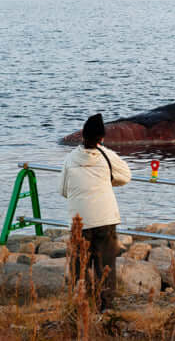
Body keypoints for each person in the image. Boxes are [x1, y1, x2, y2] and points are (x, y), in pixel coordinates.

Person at [59, 113, 131, 311]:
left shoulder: (69, 159)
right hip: (105, 218)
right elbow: (125, 176)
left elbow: (63, 190)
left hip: (79, 221)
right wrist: (107, 182)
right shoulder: (107, 155)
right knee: (105, 266)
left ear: (82, 135)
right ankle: (106, 308)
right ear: (102, 138)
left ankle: (79, 306)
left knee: (79, 266)